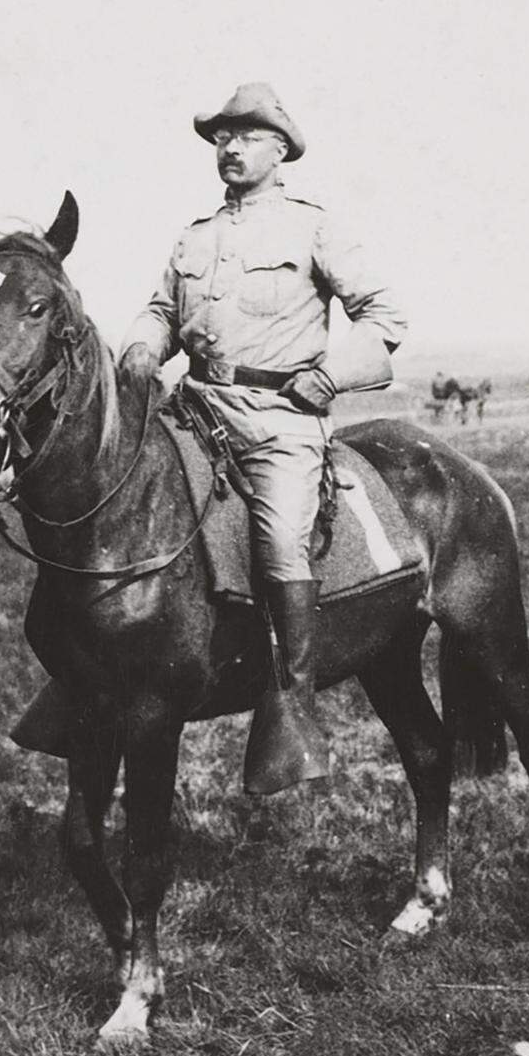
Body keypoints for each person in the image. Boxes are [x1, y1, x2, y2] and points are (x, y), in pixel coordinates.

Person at [119, 81, 408, 794]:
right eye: (221, 136)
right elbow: (161, 310)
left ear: (280, 149)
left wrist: (331, 375)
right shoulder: (196, 237)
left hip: (280, 416)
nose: (230, 147)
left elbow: (384, 317)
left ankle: (291, 701)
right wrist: (140, 347)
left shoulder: (313, 228)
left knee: (279, 537)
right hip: (197, 406)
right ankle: (97, 675)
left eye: (245, 136)